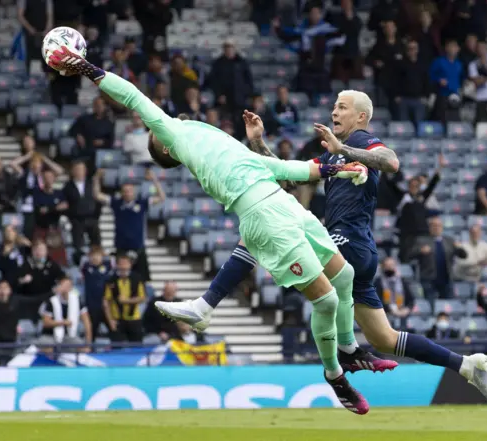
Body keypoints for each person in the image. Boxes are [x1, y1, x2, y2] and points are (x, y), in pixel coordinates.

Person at [49, 46, 374, 413]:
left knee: (343, 275)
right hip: (261, 212)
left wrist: (339, 168)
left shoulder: (220, 142)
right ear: (167, 150)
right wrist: (89, 68)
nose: (155, 127)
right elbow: (133, 96)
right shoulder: (175, 136)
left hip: (281, 204)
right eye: (154, 134)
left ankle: (346, 348)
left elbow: (288, 170)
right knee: (327, 299)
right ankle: (335, 374)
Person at [142, 92, 487, 406]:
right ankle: (466, 365)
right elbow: (281, 178)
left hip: (349, 241)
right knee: (385, 338)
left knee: (261, 231)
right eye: (334, 106)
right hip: (355, 247)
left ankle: (216, 308)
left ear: (361, 116)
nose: (334, 112)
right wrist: (258, 143)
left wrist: (344, 150)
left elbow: (390, 161)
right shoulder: (334, 150)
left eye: (342, 107)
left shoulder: (361, 140)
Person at [93, 169, 165, 281]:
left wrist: (154, 180)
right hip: (121, 247)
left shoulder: (142, 203)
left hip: (138, 247)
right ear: (122, 192)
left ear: (134, 192)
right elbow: (97, 195)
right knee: (119, 278)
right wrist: (96, 179)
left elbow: (161, 197)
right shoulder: (116, 203)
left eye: (130, 190)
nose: (127, 193)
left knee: (142, 278)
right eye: (125, 191)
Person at [38, 276, 92, 353]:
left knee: (82, 348)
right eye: (63, 285)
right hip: (50, 335)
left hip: (69, 336)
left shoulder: (77, 301)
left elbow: (87, 323)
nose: (65, 288)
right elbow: (46, 322)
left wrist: (88, 343)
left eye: (67, 285)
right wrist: (63, 323)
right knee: (47, 346)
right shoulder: (51, 301)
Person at [103, 253, 147, 343]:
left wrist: (127, 301)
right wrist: (110, 320)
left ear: (130, 265)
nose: (123, 266)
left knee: (137, 347)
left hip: (134, 318)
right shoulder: (111, 280)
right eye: (121, 263)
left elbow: (142, 298)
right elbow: (106, 301)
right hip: (117, 319)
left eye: (126, 263)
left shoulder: (137, 278)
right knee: (117, 349)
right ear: (117, 265)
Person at [81, 246, 114, 341]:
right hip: (92, 305)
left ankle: (117, 351)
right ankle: (89, 351)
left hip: (106, 306)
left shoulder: (107, 266)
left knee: (113, 329)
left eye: (98, 255)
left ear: (102, 256)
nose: (95, 258)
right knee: (92, 331)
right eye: (93, 255)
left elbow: (113, 263)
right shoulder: (87, 267)